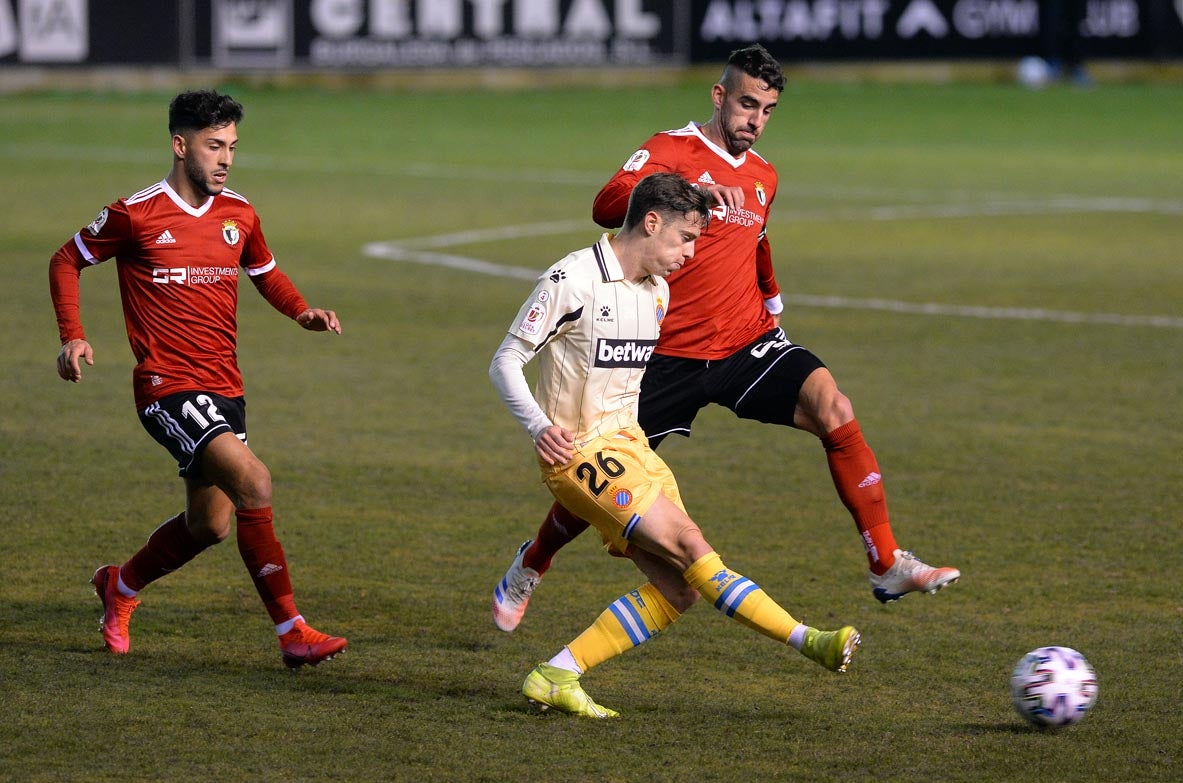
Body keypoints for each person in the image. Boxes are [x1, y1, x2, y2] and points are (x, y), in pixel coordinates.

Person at [492, 43, 959, 633]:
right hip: (661, 356)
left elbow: (756, 240)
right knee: (601, 486)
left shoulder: (764, 175)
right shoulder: (670, 149)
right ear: (719, 97)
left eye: (766, 110)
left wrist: (772, 297)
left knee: (832, 406)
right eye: (745, 105)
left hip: (745, 343)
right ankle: (532, 562)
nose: (754, 121)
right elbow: (608, 205)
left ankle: (885, 561)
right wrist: (689, 190)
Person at [490, 172, 859, 718]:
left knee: (679, 590)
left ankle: (557, 673)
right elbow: (505, 361)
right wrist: (540, 426)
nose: (690, 254)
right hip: (580, 454)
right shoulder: (573, 279)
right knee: (691, 545)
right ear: (651, 222)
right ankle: (810, 641)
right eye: (686, 239)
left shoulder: (657, 294)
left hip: (632, 447)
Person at [49, 89, 347, 668]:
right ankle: (292, 631)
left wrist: (301, 310)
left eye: (232, 146)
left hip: (225, 387)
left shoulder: (239, 213)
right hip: (167, 385)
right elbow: (66, 259)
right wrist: (73, 333)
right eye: (214, 146)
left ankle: (120, 586)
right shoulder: (135, 214)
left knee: (209, 525)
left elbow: (265, 271)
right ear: (180, 145)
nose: (226, 158)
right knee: (255, 483)